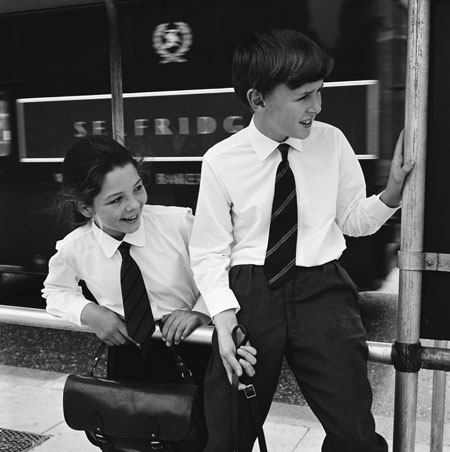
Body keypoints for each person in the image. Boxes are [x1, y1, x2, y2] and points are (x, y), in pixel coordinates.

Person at [189, 29, 414, 452]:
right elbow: (209, 250)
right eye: (303, 96)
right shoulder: (221, 161)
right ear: (258, 100)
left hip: (322, 291)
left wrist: (391, 195)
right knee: (228, 432)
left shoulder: (332, 142)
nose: (318, 106)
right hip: (249, 295)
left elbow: (352, 220)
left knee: (356, 436)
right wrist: (223, 320)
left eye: (320, 92)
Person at [42, 135, 223, 387]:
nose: (134, 205)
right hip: (126, 353)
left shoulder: (178, 224)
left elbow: (221, 268)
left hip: (194, 343)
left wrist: (201, 312)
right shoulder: (75, 247)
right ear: (85, 207)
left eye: (137, 188)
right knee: (131, 425)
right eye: (116, 199)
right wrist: (89, 312)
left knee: (204, 423)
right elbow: (55, 290)